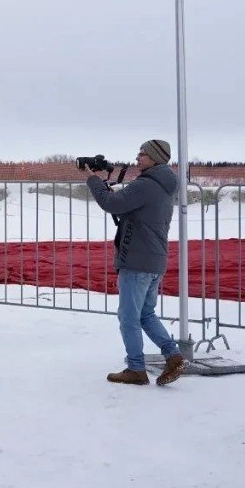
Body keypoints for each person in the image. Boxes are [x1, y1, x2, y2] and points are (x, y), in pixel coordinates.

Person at [85, 138, 185, 386]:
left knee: (129, 316)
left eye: (142, 154)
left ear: (155, 158)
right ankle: (172, 356)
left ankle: (136, 368)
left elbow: (111, 204)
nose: (137, 157)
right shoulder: (162, 184)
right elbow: (125, 205)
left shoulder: (147, 185)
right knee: (146, 314)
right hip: (153, 260)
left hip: (137, 260)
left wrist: (93, 180)